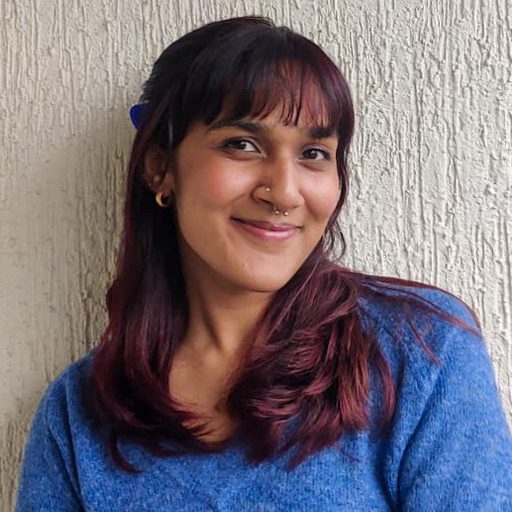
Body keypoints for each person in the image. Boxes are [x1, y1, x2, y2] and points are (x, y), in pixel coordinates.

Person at [15, 15, 512, 511]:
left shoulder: (420, 352)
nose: (284, 192)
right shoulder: (77, 414)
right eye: (242, 145)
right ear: (160, 168)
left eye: (313, 153)